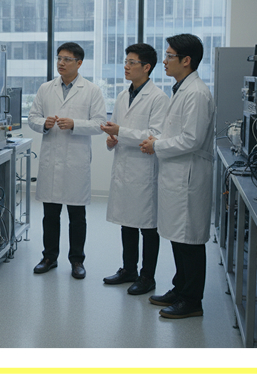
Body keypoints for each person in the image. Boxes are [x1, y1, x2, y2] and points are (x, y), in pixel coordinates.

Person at [139, 34, 215, 319]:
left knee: (189, 241)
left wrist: (157, 145)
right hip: (176, 175)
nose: (165, 61)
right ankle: (180, 288)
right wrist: (157, 140)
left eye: (170, 56)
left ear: (186, 60)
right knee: (177, 237)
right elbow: (177, 132)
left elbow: (191, 139)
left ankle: (192, 300)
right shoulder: (182, 88)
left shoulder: (196, 93)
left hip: (188, 177)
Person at [27, 42, 107, 279]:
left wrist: (75, 124)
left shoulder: (92, 90)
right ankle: (49, 257)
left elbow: (100, 124)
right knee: (50, 215)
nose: (61, 63)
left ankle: (77, 260)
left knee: (77, 216)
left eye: (67, 59)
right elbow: (32, 117)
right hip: (52, 159)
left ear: (79, 63)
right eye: (59, 58)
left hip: (76, 161)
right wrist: (44, 123)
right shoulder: (46, 88)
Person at [100, 43, 169, 296]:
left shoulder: (159, 98)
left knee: (148, 226)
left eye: (132, 62)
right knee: (126, 222)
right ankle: (128, 270)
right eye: (126, 62)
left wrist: (120, 131)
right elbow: (118, 130)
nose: (126, 67)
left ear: (146, 67)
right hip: (124, 167)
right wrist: (112, 139)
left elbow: (155, 135)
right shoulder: (122, 95)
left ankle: (147, 277)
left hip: (144, 170)